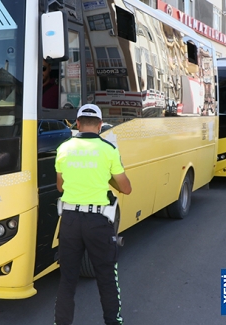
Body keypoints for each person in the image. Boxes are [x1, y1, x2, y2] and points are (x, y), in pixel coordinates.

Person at [54, 104, 132, 325]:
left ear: (77, 124)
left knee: (67, 280)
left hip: (69, 221)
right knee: (106, 277)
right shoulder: (109, 150)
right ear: (99, 125)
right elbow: (126, 188)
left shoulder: (64, 148)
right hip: (98, 223)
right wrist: (105, 177)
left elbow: (60, 186)